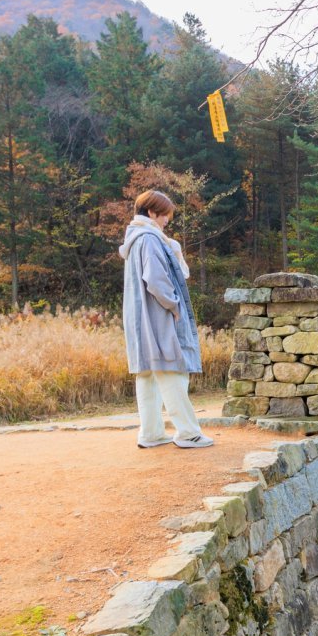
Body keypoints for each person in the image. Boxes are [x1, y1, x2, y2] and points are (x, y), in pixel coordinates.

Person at [118, 190, 213, 449]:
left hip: (140, 318)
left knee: (148, 373)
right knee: (172, 369)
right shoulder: (149, 239)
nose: (166, 222)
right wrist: (174, 305)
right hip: (157, 316)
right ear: (151, 213)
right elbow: (157, 280)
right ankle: (188, 433)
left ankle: (150, 434)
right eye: (164, 217)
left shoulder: (136, 239)